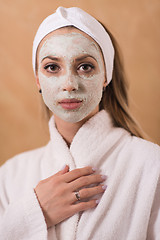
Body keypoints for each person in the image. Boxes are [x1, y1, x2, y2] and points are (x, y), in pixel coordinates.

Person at [0, 6, 159, 240]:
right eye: (52, 67)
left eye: (85, 66)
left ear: (106, 75)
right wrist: (34, 213)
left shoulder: (152, 165)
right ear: (38, 80)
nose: (69, 84)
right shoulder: (10, 175)